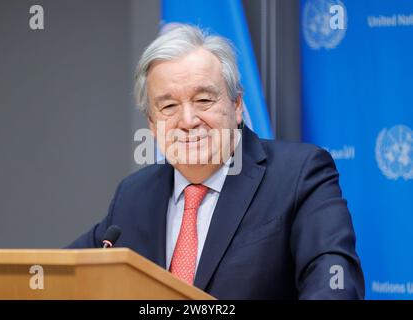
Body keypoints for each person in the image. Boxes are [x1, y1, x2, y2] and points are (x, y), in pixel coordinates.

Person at [68, 25, 365, 299]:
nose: (187, 120)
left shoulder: (299, 175)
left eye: (204, 100)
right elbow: (60, 274)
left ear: (236, 106)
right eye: (169, 106)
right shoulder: (133, 195)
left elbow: (334, 285)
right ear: (152, 123)